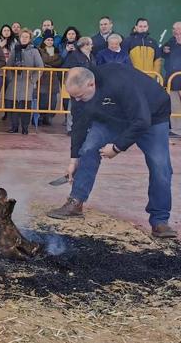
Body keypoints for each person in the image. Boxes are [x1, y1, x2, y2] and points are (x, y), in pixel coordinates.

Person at [47, 64, 176, 239]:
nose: (76, 100)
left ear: (91, 84)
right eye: (73, 96)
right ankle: (75, 202)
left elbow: (142, 121)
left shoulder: (120, 83)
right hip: (112, 117)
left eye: (79, 96)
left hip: (151, 117)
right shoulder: (79, 93)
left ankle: (160, 221)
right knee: (89, 148)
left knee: (160, 166)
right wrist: (73, 159)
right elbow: (79, 124)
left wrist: (117, 147)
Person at [5, 28, 44, 134]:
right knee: (12, 104)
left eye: (27, 37)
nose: (24, 39)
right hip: (15, 82)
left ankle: (25, 128)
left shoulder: (34, 51)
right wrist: (11, 78)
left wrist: (33, 80)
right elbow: (9, 66)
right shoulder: (15, 50)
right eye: (22, 37)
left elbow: (40, 67)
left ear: (30, 38)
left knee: (26, 105)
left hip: (28, 82)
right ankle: (14, 127)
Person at [37, 29, 63, 125]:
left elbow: (60, 61)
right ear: (44, 41)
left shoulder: (57, 50)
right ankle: (40, 116)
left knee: (53, 99)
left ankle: (49, 117)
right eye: (48, 40)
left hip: (54, 78)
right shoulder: (39, 50)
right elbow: (44, 59)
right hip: (43, 78)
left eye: (51, 40)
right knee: (42, 97)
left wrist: (49, 63)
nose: (50, 42)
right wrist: (52, 61)